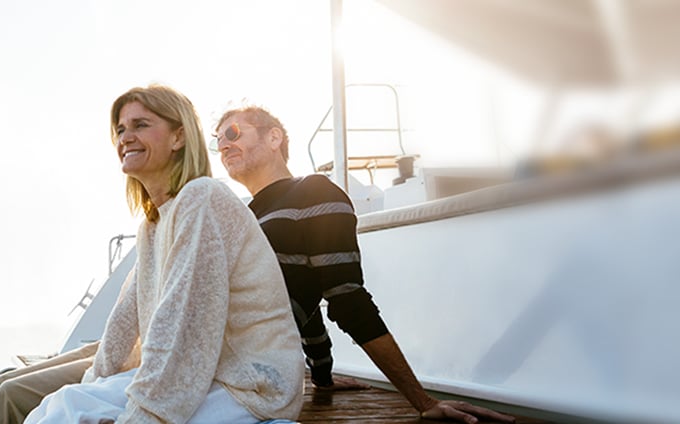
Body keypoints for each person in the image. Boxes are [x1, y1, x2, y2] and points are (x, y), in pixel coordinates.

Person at [213, 105, 516, 424]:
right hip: (217, 362)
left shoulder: (313, 192)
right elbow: (293, 294)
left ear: (274, 137)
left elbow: (345, 297)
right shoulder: (244, 214)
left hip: (238, 375)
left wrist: (423, 401)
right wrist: (322, 374)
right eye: (217, 141)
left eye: (232, 133)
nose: (223, 145)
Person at [24, 85, 304, 423]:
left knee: (74, 413)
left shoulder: (203, 198)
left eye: (141, 125)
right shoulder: (153, 224)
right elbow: (124, 325)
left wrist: (144, 417)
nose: (125, 137)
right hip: (206, 377)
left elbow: (185, 326)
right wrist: (95, 382)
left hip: (251, 387)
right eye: (121, 129)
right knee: (64, 404)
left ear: (178, 138)